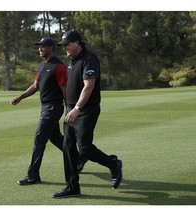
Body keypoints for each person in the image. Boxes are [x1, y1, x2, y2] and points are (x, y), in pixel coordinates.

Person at [52, 31, 123, 198]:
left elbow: (88, 87)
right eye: (63, 45)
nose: (64, 48)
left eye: (67, 44)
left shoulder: (89, 59)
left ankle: (113, 163)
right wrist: (69, 107)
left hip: (85, 110)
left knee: (84, 149)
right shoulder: (72, 61)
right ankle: (72, 187)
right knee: (68, 147)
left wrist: (77, 108)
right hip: (71, 109)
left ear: (77, 42)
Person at [10, 37, 87, 186]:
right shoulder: (41, 65)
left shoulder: (58, 66)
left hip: (53, 108)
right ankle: (78, 158)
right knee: (56, 138)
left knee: (39, 140)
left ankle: (33, 176)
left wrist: (69, 108)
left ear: (51, 48)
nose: (40, 49)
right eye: (39, 46)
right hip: (45, 107)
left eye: (43, 47)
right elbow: (35, 85)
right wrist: (20, 97)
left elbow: (65, 89)